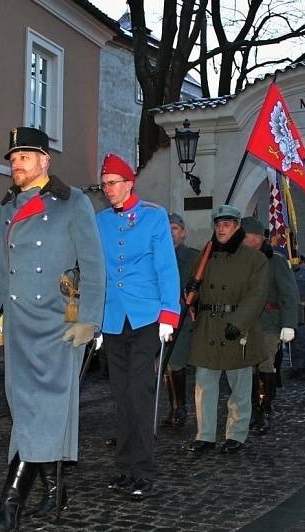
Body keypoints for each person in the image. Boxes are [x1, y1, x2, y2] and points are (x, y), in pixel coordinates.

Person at [0, 127, 105, 530]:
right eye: (13, 158)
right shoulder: (7, 207)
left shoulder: (73, 203)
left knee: (41, 413)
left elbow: (94, 264)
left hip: (58, 325)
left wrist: (90, 320)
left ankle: (9, 504)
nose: (17, 164)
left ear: (45, 160)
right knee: (28, 410)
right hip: (18, 326)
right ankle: (55, 491)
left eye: (25, 157)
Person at [97, 153, 179, 499]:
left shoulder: (153, 216)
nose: (108, 190)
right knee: (120, 395)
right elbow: (96, 270)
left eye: (113, 184)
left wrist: (169, 314)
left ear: (129, 183)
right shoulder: (99, 220)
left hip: (146, 319)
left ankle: (142, 469)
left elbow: (166, 267)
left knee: (139, 393)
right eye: (104, 185)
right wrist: (95, 321)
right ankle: (124, 467)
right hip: (113, 319)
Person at [186, 206, 267, 454]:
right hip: (208, 327)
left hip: (236, 327)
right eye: (218, 224)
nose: (221, 228)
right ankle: (205, 435)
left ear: (237, 226)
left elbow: (257, 295)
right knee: (204, 386)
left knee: (240, 387)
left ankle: (236, 434)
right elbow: (194, 283)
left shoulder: (255, 259)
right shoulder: (206, 255)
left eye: (227, 223)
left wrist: (239, 322)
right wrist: (191, 294)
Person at [241, 217, 298, 434]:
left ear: (260, 237)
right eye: (243, 236)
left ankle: (264, 410)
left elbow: (289, 294)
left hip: (269, 322)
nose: (246, 241)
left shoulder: (275, 262)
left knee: (265, 366)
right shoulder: (239, 261)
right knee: (245, 368)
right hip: (245, 322)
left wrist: (289, 324)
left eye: (249, 236)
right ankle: (251, 408)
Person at [163, 212, 198, 428]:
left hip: (185, 318)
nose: (171, 233)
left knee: (175, 363)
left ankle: (180, 408)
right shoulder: (157, 256)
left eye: (175, 229)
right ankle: (174, 406)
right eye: (167, 229)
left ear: (183, 233)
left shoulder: (194, 258)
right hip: (161, 318)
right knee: (166, 366)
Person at [290, 256, 305, 379]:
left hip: (304, 312)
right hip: (290, 311)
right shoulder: (287, 273)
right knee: (293, 342)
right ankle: (296, 367)